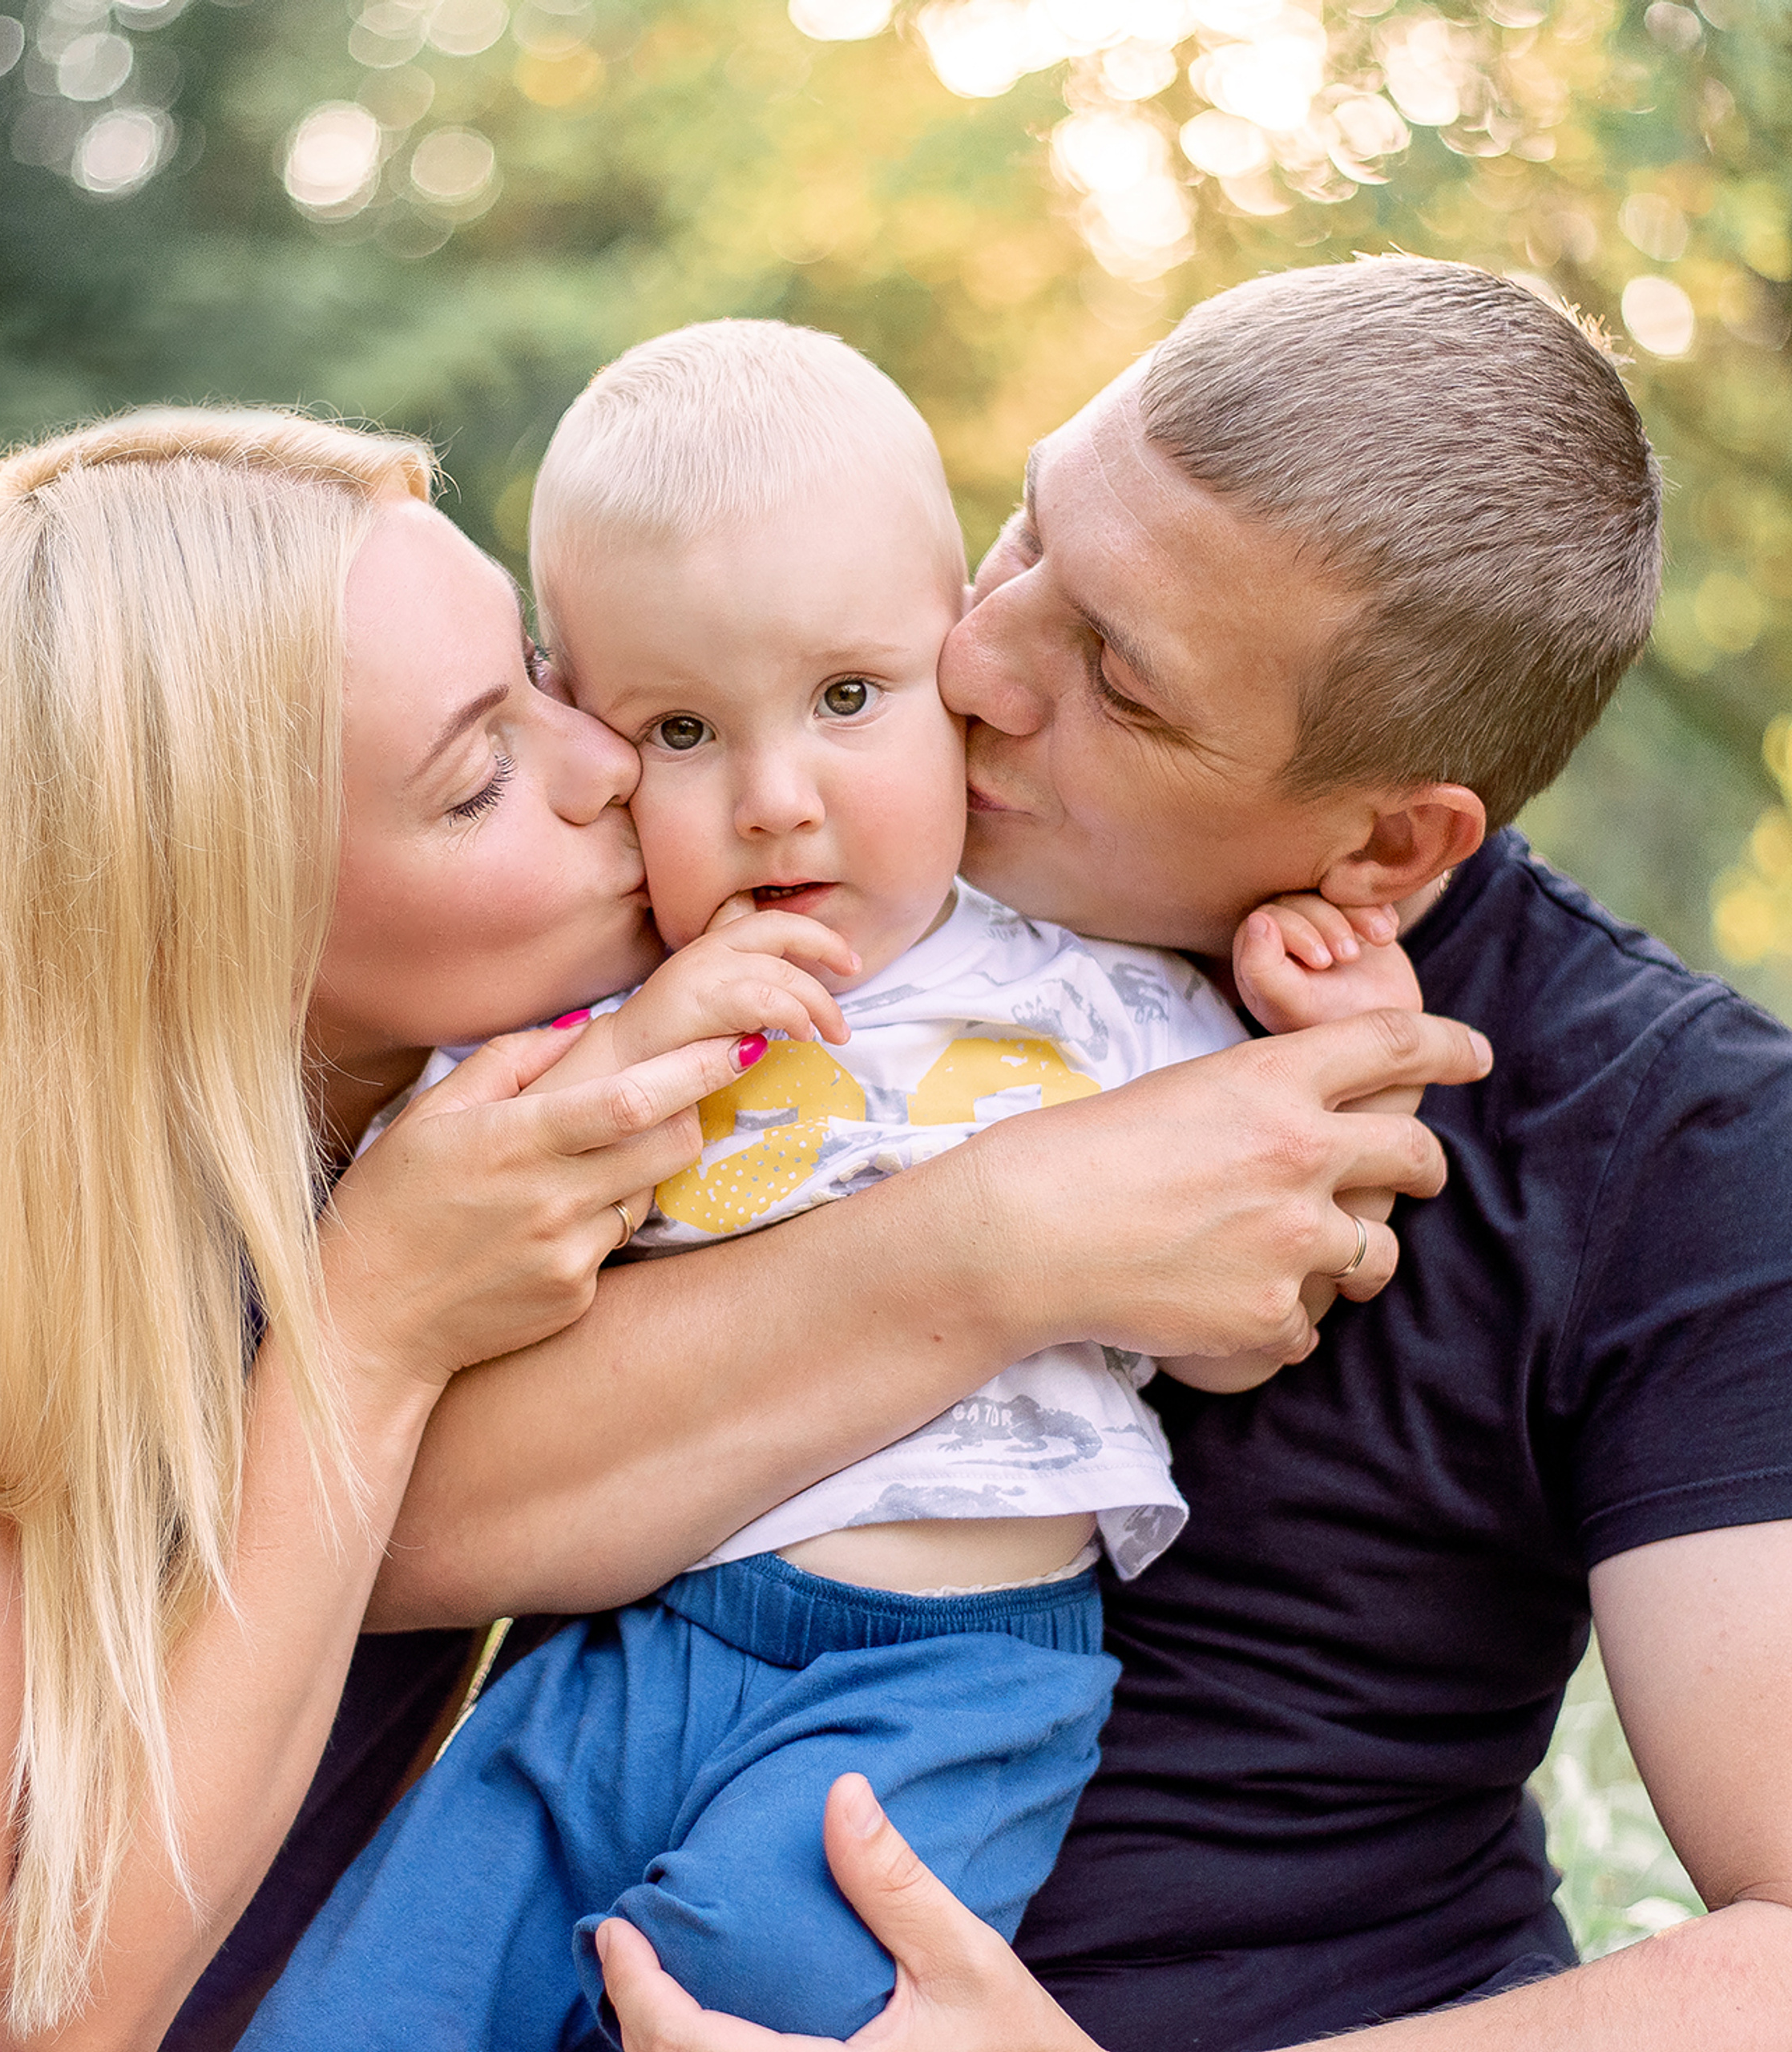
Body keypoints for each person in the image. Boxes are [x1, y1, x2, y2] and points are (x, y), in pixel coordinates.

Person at [0, 402, 1475, 2051]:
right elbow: (54, 1993)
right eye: (476, 773)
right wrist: (370, 1324)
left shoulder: (528, 1067)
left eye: (542, 682)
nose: (606, 770)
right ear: (215, 926)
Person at [383, 259, 1792, 2051]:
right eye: (1027, 535)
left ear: (1387, 839)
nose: (972, 665)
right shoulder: (745, 858)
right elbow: (365, 1528)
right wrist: (999, 1243)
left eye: (1113, 680)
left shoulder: (1672, 1137)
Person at [243, 321, 1427, 2048]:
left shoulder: (1110, 991)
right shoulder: (589, 1009)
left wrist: (1355, 1024)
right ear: (581, 715)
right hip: (615, 1641)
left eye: (848, 698)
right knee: (368, 2003)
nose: (776, 797)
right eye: (676, 727)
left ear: (953, 654)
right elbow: (458, 1260)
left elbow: (1252, 1314)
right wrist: (640, 1030)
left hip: (948, 1663)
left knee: (770, 1986)